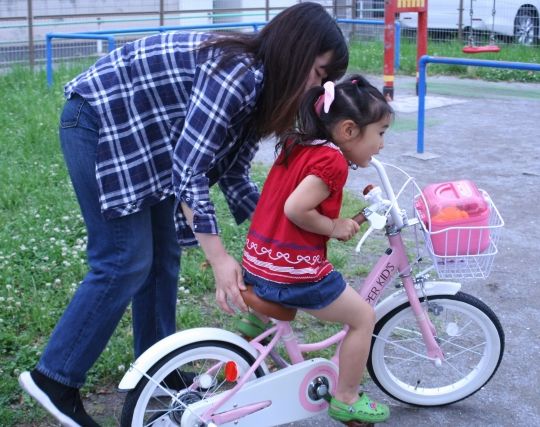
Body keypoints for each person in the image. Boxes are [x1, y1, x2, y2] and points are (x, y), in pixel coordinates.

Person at [18, 3, 348, 426]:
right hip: (99, 121)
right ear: (298, 51)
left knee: (162, 257)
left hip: (147, 140)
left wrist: (278, 239)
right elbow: (190, 168)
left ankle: (161, 372)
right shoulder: (239, 72)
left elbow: (233, 177)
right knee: (124, 260)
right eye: (318, 73)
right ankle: (55, 380)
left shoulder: (260, 93)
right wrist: (219, 258)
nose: (314, 87)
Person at [241, 75, 393, 424]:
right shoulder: (332, 161)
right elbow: (296, 208)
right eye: (381, 133)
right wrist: (333, 226)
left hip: (258, 261)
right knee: (363, 318)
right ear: (349, 130)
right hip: (291, 272)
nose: (382, 144)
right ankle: (347, 397)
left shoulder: (299, 145)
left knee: (285, 285)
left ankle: (246, 340)